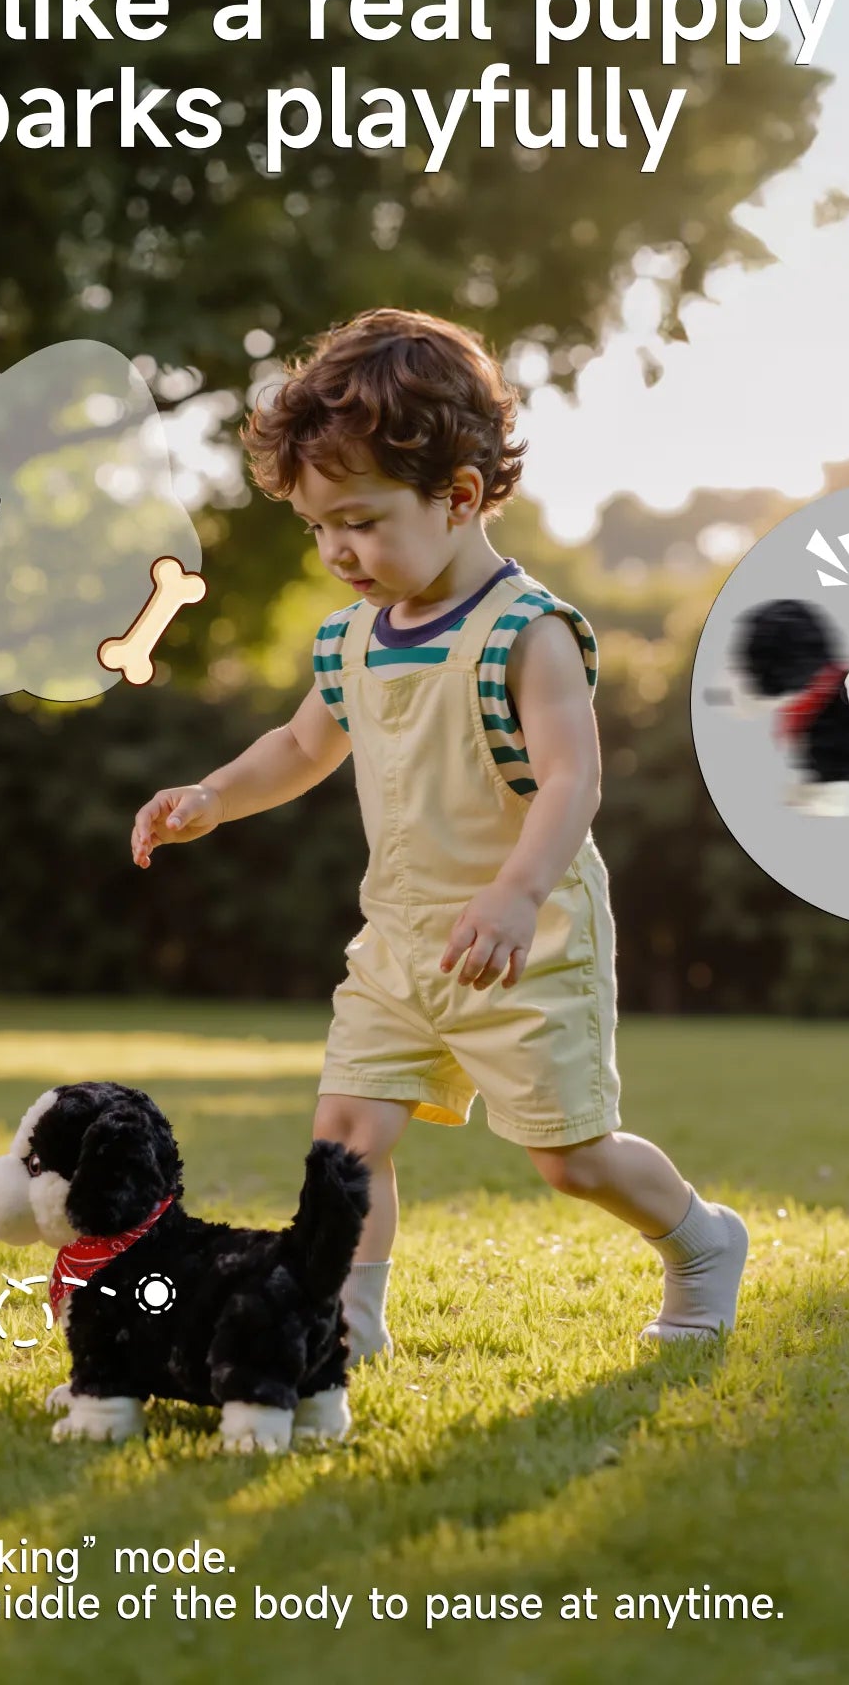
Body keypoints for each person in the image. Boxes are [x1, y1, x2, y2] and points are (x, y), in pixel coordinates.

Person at [130, 307, 748, 1361]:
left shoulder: (528, 632)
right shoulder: (352, 640)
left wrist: (515, 892)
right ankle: (346, 1324)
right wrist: (214, 795)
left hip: (527, 934)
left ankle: (702, 1243)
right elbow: (299, 745)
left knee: (570, 1157)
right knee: (347, 1137)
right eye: (318, 528)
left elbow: (571, 776)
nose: (337, 551)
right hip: (401, 939)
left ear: (458, 497)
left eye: (360, 522)